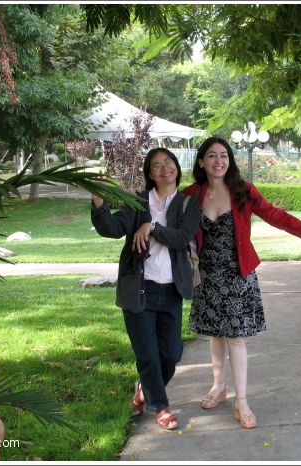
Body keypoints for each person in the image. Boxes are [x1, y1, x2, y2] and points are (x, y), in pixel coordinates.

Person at [183, 137, 301, 429]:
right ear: (201, 161)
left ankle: (242, 400)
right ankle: (218, 386)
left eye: (224, 155)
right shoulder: (191, 194)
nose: (219, 161)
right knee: (215, 334)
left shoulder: (243, 191)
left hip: (239, 275)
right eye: (212, 156)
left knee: (236, 337)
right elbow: (164, 207)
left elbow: (274, 215)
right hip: (208, 277)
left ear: (229, 160)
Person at [91, 148, 201, 430]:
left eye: (168, 162)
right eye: (156, 165)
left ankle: (144, 391)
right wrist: (98, 198)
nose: (164, 168)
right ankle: (160, 407)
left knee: (172, 355)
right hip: (139, 288)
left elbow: (181, 238)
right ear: (150, 174)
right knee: (148, 355)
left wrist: (150, 227)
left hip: (171, 291)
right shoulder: (139, 201)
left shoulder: (189, 204)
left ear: (176, 166)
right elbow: (112, 228)